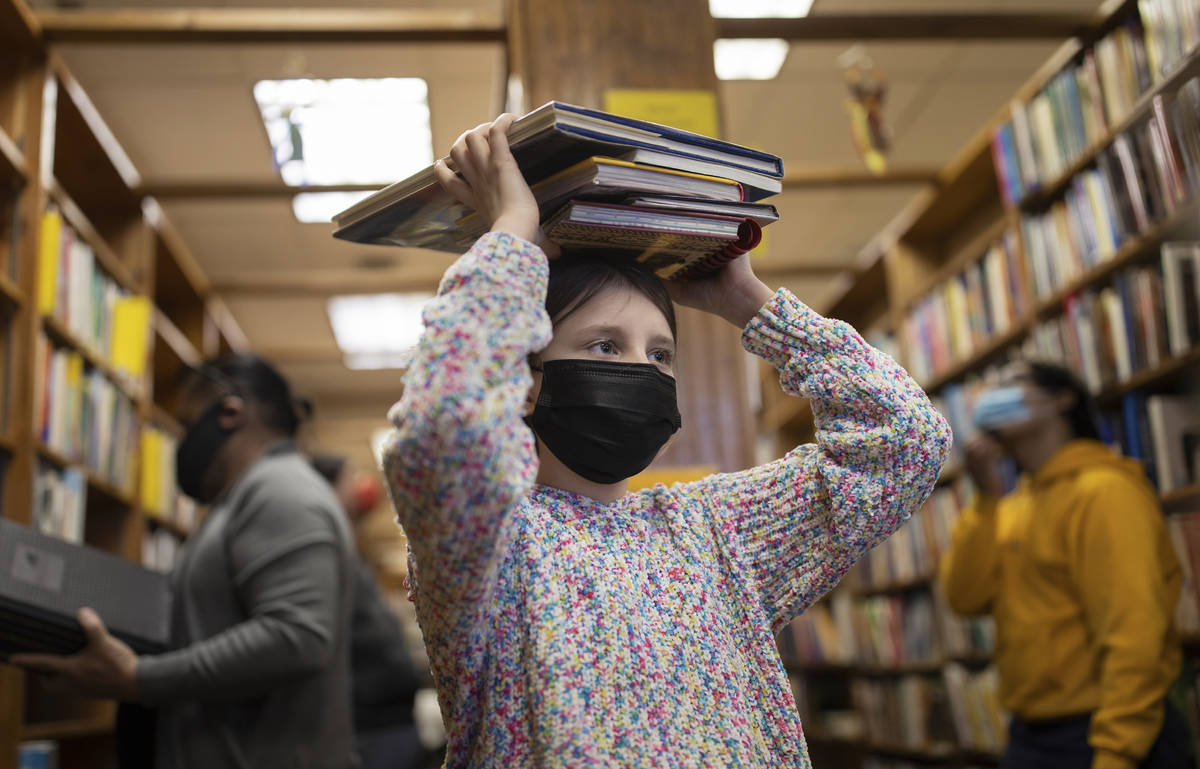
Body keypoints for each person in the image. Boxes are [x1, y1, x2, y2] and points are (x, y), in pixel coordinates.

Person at [380, 112, 952, 767]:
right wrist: (513, 231)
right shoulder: (491, 545)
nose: (640, 371)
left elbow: (903, 445)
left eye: (660, 354)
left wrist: (750, 303)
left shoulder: (711, 529)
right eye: (604, 345)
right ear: (527, 378)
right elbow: (444, 433)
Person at [12, 354, 357, 769]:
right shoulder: (252, 496)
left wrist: (140, 679)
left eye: (188, 425)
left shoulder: (282, 490)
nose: (182, 443)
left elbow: (297, 637)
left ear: (229, 413)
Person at [940, 360, 1191, 769]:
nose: (992, 396)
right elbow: (965, 597)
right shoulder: (1015, 503)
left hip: (1101, 736)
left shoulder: (1104, 492)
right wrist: (985, 499)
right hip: (1030, 735)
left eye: (1013, 382)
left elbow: (1135, 635)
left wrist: (1117, 752)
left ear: (1062, 399)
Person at [310, 453, 428, 769]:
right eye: (350, 477)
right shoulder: (324, 552)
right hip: (369, 723)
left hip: (391, 718)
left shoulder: (351, 548)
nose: (361, 485)